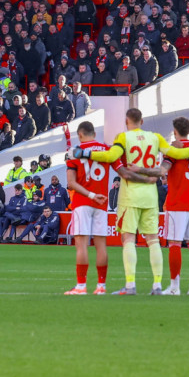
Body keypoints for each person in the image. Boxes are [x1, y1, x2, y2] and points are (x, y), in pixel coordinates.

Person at [79, 108, 189, 295]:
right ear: (142, 121)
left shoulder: (123, 137)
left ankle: (130, 285)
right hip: (150, 195)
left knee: (128, 238)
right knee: (153, 239)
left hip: (130, 194)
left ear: (126, 121)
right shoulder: (156, 137)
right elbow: (178, 154)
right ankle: (157, 285)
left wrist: (87, 154)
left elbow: (110, 157)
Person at [63, 120, 111, 295]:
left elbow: (71, 183)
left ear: (80, 134)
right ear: (94, 134)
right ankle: (101, 286)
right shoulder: (106, 149)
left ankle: (81, 286)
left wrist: (90, 195)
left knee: (81, 245)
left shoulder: (74, 152)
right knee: (101, 246)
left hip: (83, 202)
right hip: (102, 202)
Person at [160, 117, 189, 296]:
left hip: (177, 202)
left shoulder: (173, 150)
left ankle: (174, 287)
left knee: (175, 244)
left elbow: (163, 170)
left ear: (175, 131)